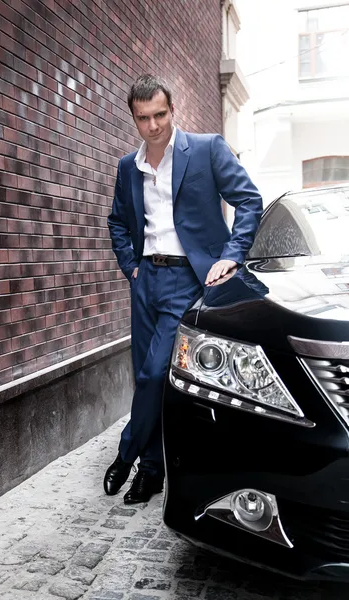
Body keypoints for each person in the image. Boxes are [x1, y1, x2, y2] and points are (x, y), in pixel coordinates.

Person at [105, 74, 263, 504]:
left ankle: (127, 453)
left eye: (160, 115)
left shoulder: (207, 149)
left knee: (157, 373)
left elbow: (249, 199)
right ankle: (151, 472)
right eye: (143, 118)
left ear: (172, 110)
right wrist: (131, 268)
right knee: (146, 381)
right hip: (145, 281)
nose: (153, 125)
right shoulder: (127, 167)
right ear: (134, 119)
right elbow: (118, 221)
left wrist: (231, 254)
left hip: (188, 280)